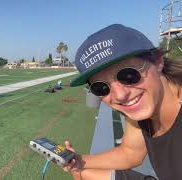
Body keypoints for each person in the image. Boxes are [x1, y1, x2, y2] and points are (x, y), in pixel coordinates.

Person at [64, 24, 182, 180]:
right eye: (101, 88)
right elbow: (131, 153)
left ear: (158, 61)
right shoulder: (143, 111)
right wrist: (78, 161)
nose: (120, 95)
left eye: (128, 75)